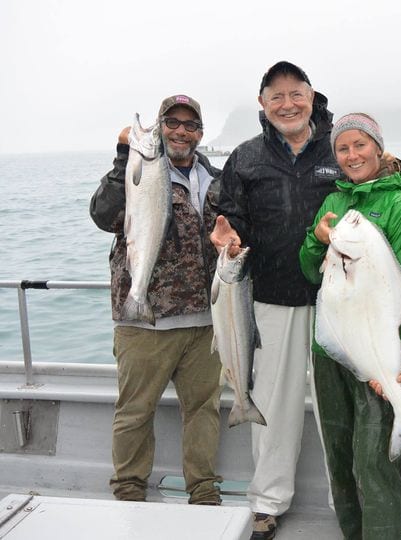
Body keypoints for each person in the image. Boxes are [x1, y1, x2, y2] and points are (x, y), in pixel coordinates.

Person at [209, 61, 342, 540]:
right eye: (277, 96)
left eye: (296, 94)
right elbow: (229, 215)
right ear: (263, 104)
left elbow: (369, 189)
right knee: (272, 407)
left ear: (312, 96)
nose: (288, 104)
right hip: (267, 299)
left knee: (338, 409)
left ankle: (348, 499)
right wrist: (227, 234)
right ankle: (267, 502)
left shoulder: (338, 148)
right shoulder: (245, 157)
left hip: (337, 302)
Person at [89, 94, 223, 505]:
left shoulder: (216, 179)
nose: (181, 131)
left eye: (190, 125)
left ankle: (202, 490)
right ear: (158, 127)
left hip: (204, 322)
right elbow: (102, 215)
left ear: (200, 133)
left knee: (203, 412)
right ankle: (129, 488)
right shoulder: (134, 169)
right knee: (135, 411)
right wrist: (121, 156)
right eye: (172, 122)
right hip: (144, 318)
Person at [299, 113, 401, 540]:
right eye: (343, 148)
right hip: (332, 349)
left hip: (380, 351)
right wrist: (316, 239)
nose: (352, 155)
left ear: (378, 149)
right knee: (340, 455)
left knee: (375, 460)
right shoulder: (333, 203)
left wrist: (400, 359)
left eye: (360, 145)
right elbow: (311, 272)